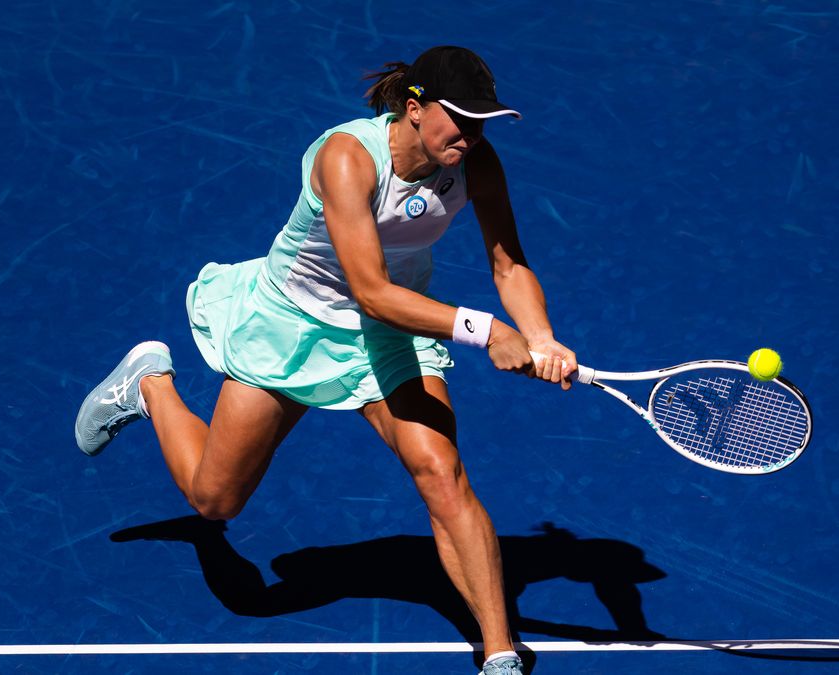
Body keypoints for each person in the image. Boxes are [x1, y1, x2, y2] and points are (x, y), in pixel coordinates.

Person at [74, 45, 576, 675]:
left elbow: (508, 264)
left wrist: (540, 336)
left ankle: (500, 651)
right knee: (215, 501)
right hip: (294, 326)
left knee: (441, 474)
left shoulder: (476, 163)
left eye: (481, 122)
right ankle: (151, 383)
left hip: (392, 335)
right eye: (460, 119)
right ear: (414, 108)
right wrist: (486, 330)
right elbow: (370, 290)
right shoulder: (347, 157)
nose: (472, 135)